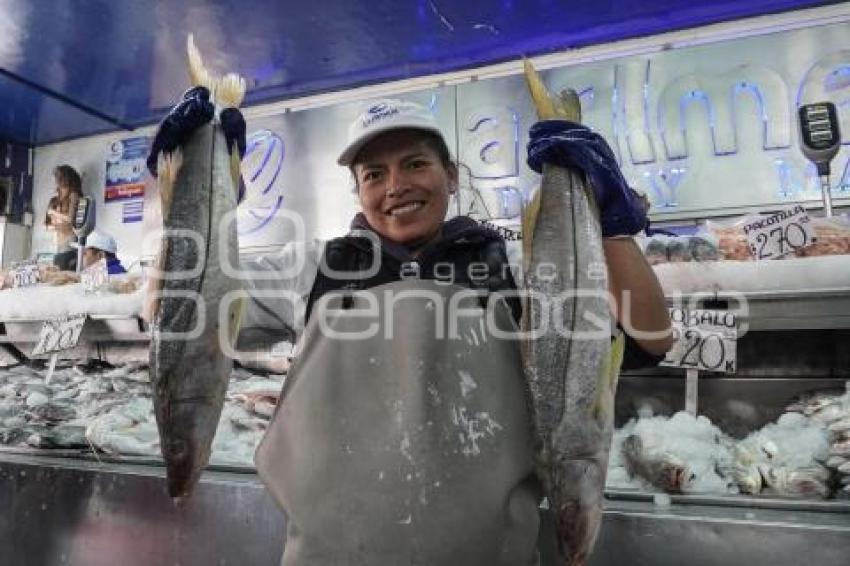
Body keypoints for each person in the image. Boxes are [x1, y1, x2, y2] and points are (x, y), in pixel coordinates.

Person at [150, 97, 673, 565]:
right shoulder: (313, 269)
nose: (395, 186)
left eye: (415, 164)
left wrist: (612, 226)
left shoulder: (513, 265)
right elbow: (172, 318)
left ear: (451, 174)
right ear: (358, 190)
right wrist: (181, 204)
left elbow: (650, 336)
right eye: (374, 174)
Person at [45, 165, 83, 271]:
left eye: (59, 178)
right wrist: (56, 225)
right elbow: (48, 225)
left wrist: (54, 213)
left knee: (64, 271)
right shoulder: (56, 199)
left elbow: (70, 219)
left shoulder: (74, 195)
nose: (57, 182)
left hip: (68, 244)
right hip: (56, 245)